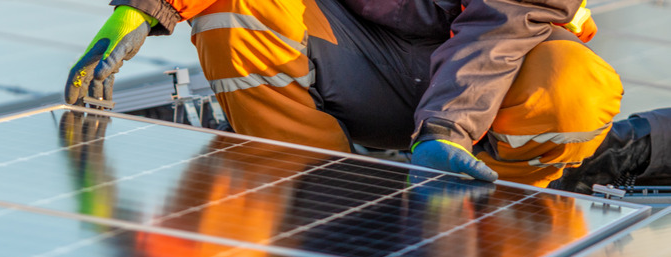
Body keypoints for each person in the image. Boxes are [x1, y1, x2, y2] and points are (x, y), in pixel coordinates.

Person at [64, 0, 671, 190]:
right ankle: (322, 187)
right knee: (237, 10)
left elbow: (499, 30)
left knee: (574, 90)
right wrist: (144, 10)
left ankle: (511, 190)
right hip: (359, 55)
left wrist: (445, 132)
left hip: (495, 78)